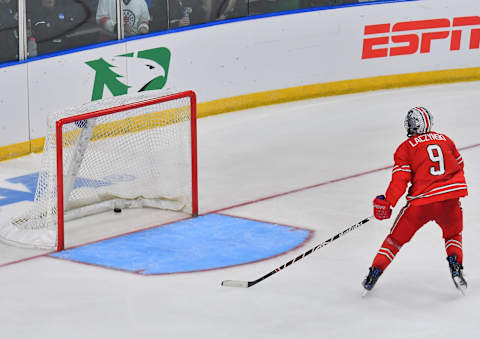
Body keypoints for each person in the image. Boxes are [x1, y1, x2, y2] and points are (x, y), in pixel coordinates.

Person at [363, 107, 468, 294]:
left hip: (421, 204)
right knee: (453, 235)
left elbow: (400, 180)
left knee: (395, 240)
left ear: (411, 126)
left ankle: (375, 272)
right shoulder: (446, 140)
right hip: (450, 201)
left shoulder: (405, 148)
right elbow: (459, 165)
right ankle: (456, 266)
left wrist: (388, 202)